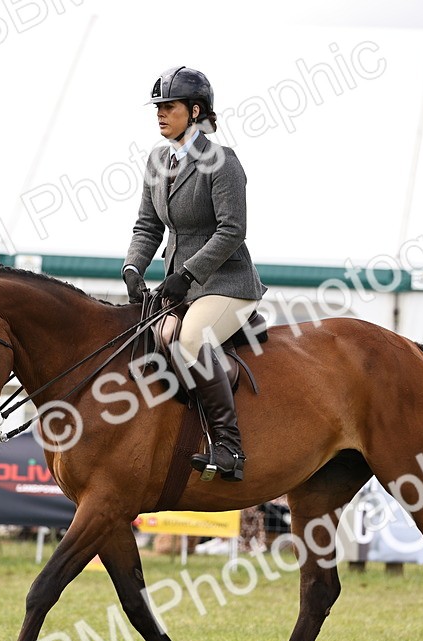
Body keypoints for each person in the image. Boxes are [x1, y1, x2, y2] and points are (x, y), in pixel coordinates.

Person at [122, 66, 266, 482]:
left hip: (226, 283)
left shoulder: (223, 162)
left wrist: (187, 273)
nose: (160, 113)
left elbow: (232, 230)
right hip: (181, 286)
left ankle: (229, 446)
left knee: (188, 341)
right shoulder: (157, 160)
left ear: (195, 110)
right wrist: (132, 267)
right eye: (158, 107)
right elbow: (147, 226)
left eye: (169, 106)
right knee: (151, 338)